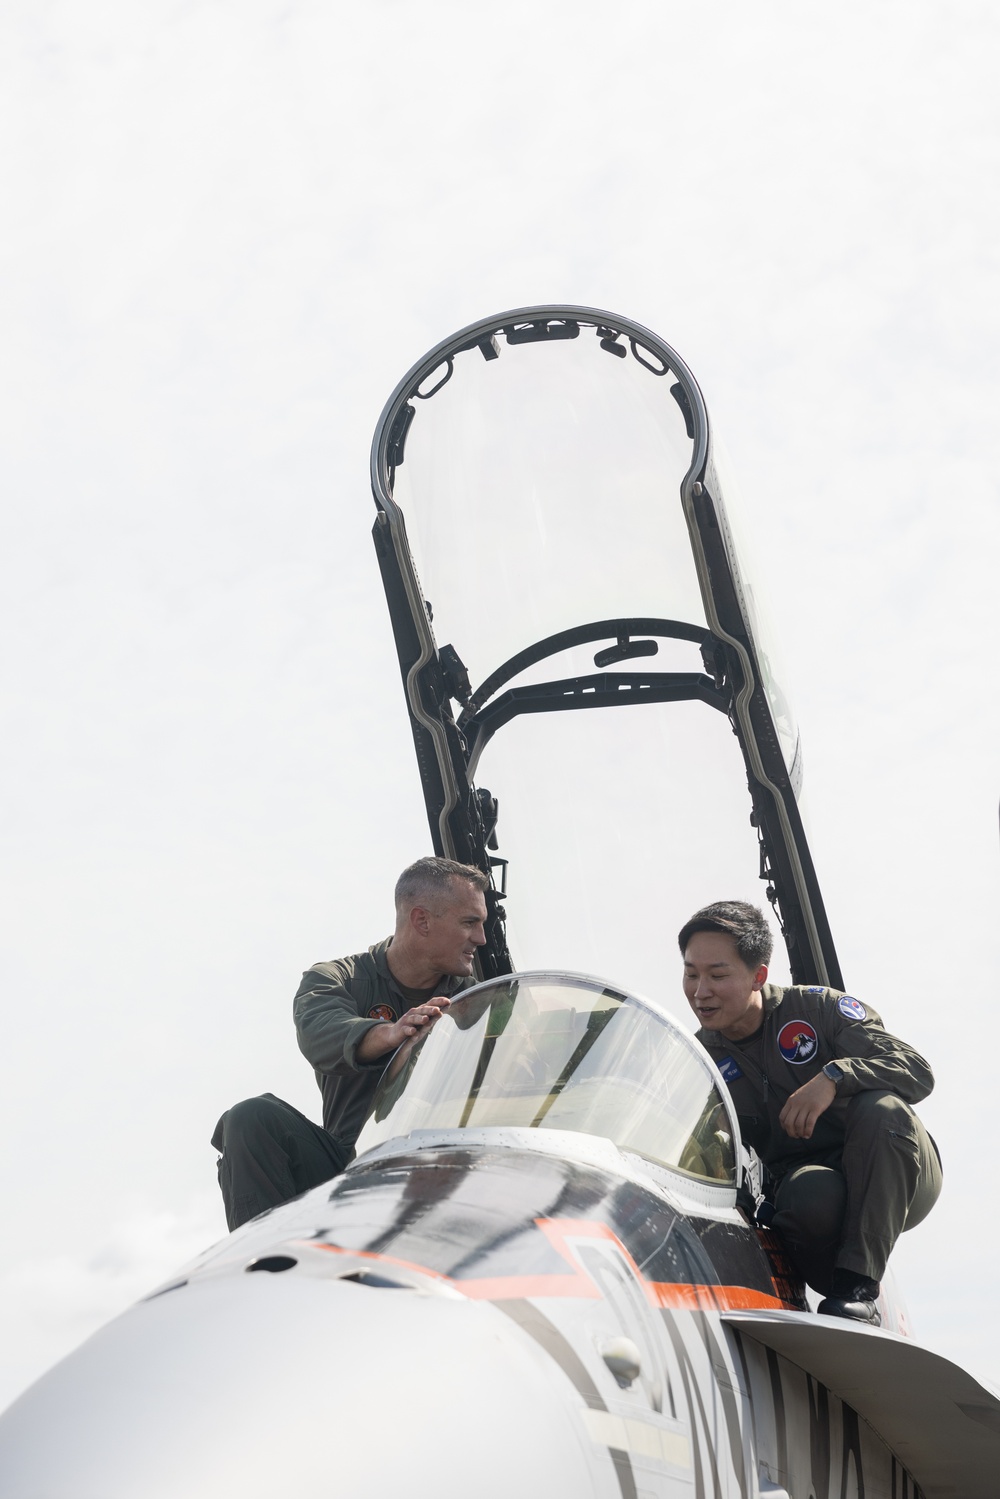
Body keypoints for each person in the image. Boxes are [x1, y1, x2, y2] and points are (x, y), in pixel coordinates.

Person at [678, 900, 942, 1326]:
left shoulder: (817, 1011)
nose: (700, 991)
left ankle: (858, 1287)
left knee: (884, 1109)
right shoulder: (698, 1061)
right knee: (807, 1195)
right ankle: (838, 1291)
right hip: (813, 1192)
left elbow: (916, 1071)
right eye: (691, 974)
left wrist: (834, 1077)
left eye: (717, 975)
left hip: (898, 1168)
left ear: (758, 975)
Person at [212, 856, 489, 1230]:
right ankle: (264, 1265)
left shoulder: (481, 1002)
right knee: (250, 1116)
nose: (480, 938)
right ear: (422, 920)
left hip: (448, 1165)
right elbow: (320, 1030)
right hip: (351, 1167)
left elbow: (533, 1043)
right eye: (469, 923)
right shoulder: (336, 979)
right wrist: (389, 1034)